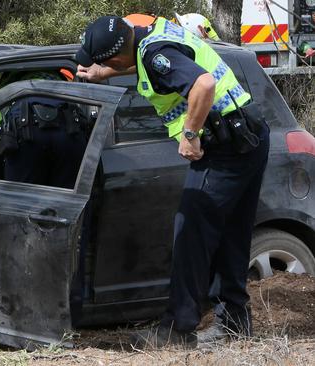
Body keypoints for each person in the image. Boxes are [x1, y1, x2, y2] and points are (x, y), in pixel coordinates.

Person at [75, 16, 269, 348]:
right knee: (230, 233)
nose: (104, 65)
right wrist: (104, 72)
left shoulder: (152, 54)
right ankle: (235, 323)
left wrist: (190, 134)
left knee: (190, 232)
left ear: (119, 52)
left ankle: (178, 328)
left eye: (107, 61)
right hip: (248, 135)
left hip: (224, 147)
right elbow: (151, 60)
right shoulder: (149, 35)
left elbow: (203, 85)